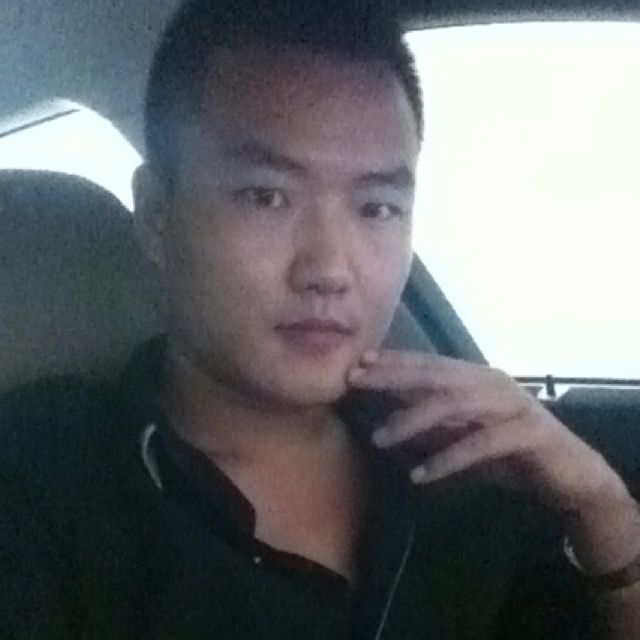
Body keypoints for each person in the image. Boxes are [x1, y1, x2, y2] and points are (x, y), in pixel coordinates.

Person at [1, 1, 639, 638]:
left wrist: (604, 514)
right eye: (266, 197)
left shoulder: (460, 462)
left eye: (376, 208)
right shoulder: (44, 480)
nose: (329, 269)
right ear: (157, 214)